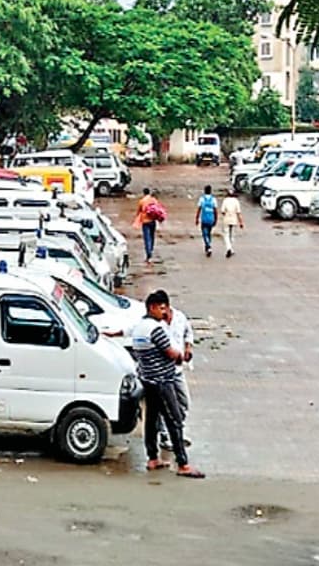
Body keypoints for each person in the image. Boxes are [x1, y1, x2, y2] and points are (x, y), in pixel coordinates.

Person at [130, 291, 205, 478]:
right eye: (161, 308)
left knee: (151, 420)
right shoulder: (155, 329)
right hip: (163, 381)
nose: (164, 313)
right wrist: (181, 357)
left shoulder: (139, 328)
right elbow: (171, 353)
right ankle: (183, 463)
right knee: (174, 420)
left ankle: (152, 458)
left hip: (148, 380)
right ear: (152, 308)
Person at [158, 295, 195, 452]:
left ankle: (178, 429)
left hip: (177, 370)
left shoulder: (180, 317)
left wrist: (188, 348)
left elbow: (188, 333)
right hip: (163, 372)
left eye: (163, 309)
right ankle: (165, 435)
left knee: (183, 402)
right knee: (165, 405)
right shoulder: (155, 324)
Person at [132, 187, 159, 264]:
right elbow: (158, 209)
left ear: (144, 193)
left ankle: (148, 253)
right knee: (152, 237)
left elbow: (139, 212)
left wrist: (137, 219)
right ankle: (151, 249)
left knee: (147, 238)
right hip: (153, 221)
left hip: (145, 222)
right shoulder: (153, 200)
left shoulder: (142, 201)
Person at [219, 187, 244, 258]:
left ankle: (229, 248)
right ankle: (231, 249)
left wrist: (225, 215)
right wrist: (241, 222)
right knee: (232, 235)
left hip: (226, 219)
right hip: (234, 220)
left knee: (226, 235)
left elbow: (223, 211)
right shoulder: (236, 201)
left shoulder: (225, 201)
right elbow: (238, 212)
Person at [194, 185, 218, 257]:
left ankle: (208, 246)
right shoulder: (213, 199)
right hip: (211, 219)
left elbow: (199, 209)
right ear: (210, 191)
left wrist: (197, 218)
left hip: (204, 219)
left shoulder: (202, 199)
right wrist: (216, 219)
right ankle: (208, 246)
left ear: (204, 191)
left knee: (204, 234)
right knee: (209, 233)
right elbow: (215, 211)